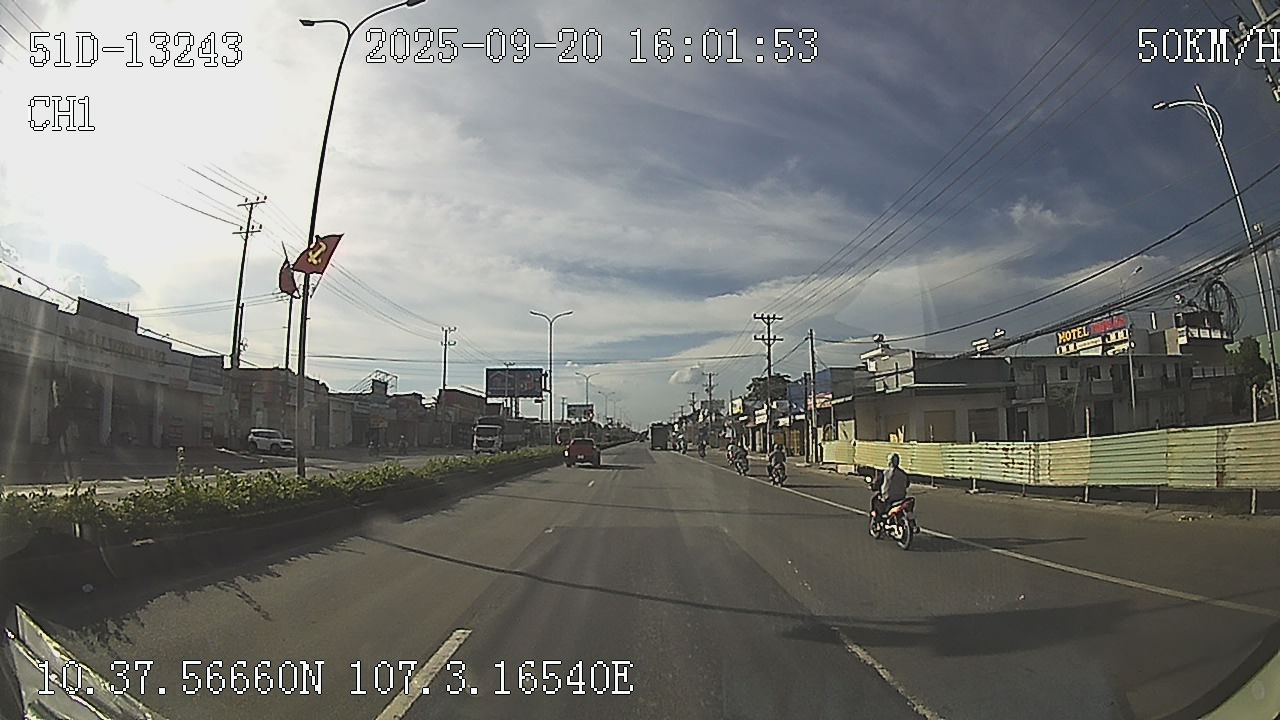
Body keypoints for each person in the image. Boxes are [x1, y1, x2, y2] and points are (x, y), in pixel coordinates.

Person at [872, 453, 910, 520]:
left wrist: (873, 486)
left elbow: (877, 483)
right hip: (901, 498)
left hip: (888, 498)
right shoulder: (903, 474)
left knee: (875, 501)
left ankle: (879, 519)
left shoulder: (885, 473)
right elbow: (907, 484)